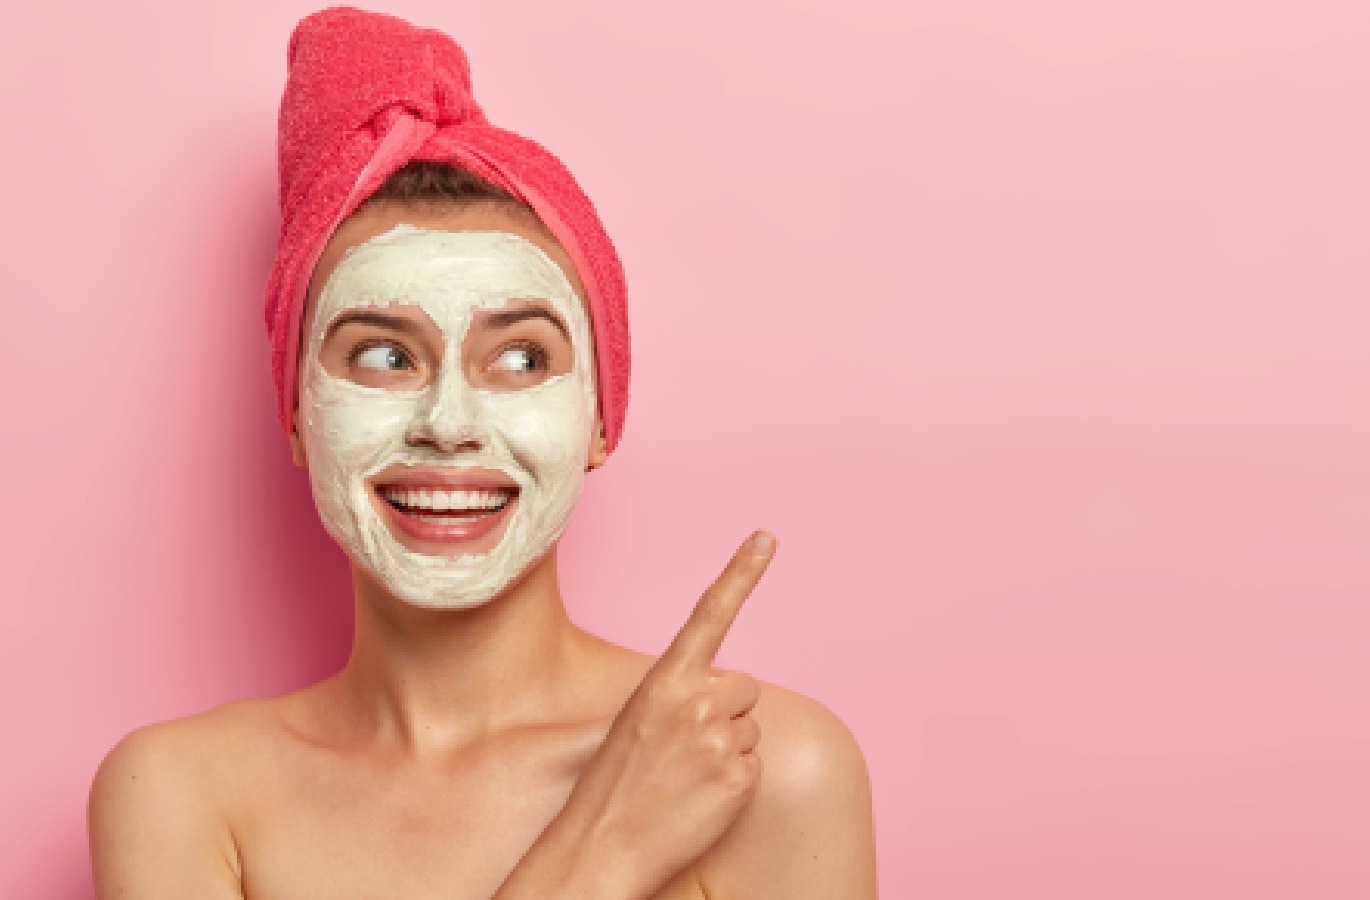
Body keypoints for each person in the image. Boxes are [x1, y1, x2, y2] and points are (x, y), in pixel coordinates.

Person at [86, 9, 876, 899]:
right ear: (298, 417)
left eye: (521, 357)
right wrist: (601, 849)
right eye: (384, 356)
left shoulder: (765, 768)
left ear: (600, 420)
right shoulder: (180, 794)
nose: (449, 422)